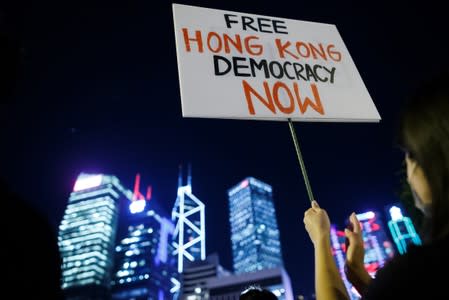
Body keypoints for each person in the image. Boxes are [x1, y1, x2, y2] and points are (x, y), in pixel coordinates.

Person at [303, 71, 449, 300]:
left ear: (435, 162)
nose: (408, 170)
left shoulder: (418, 271)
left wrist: (320, 240)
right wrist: (357, 272)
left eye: (410, 155)